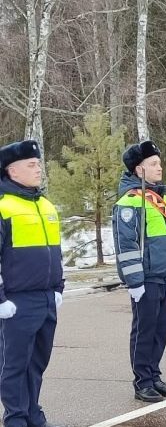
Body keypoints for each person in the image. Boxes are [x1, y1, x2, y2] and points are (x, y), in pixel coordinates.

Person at [113, 141, 166, 403]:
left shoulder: (162, 199)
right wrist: (134, 281)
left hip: (165, 277)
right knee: (145, 331)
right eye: (153, 164)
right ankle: (142, 381)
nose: (159, 167)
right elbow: (127, 245)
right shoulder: (130, 202)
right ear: (138, 170)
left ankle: (154, 374)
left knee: (161, 330)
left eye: (159, 163)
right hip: (147, 279)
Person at [0, 140, 63, 427]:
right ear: (12, 171)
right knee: (13, 365)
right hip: (16, 301)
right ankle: (15, 416)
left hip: (46, 298)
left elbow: (55, 252)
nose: (39, 169)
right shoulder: (3, 206)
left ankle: (31, 411)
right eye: (31, 165)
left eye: (38, 164)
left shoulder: (45, 204)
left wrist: (58, 288)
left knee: (37, 362)